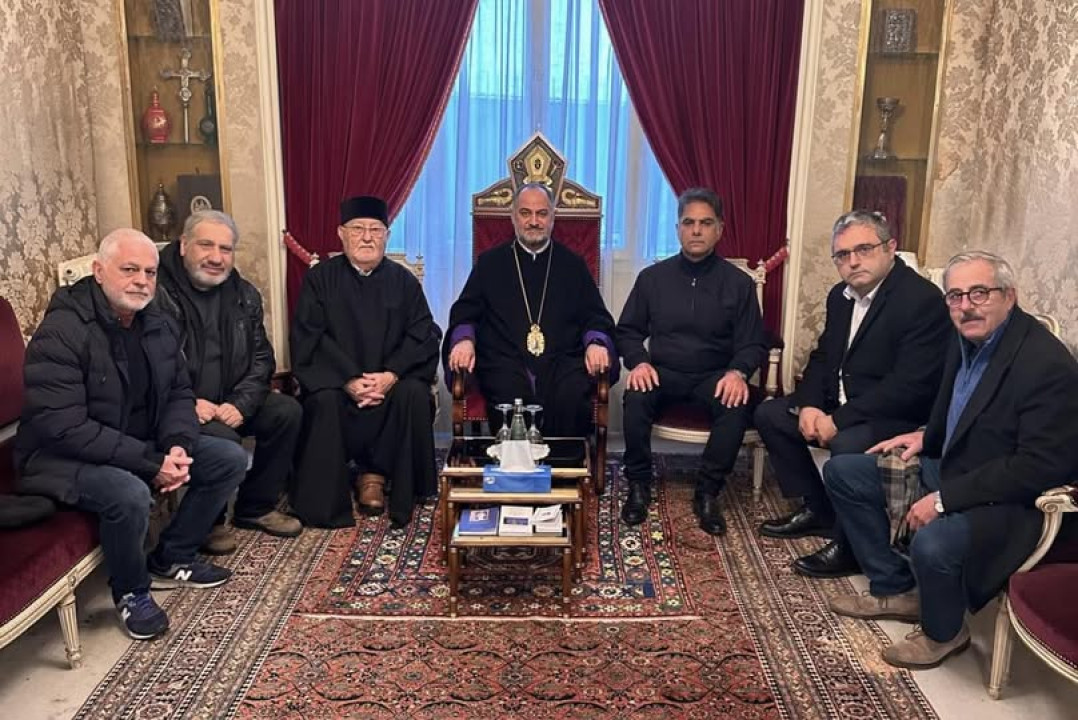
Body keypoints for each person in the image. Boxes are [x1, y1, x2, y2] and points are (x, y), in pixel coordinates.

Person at [822, 251, 1078, 669]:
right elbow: (964, 406)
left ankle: (944, 633)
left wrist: (944, 499)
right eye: (955, 296)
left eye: (979, 293)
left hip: (1014, 500)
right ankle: (899, 587)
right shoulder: (965, 340)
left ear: (1009, 296)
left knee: (934, 542)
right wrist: (926, 436)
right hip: (958, 466)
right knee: (844, 472)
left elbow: (1039, 467)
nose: (965, 306)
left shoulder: (1045, 365)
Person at [15, 229, 248, 640]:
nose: (142, 281)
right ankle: (131, 592)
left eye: (150, 272)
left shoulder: (156, 322)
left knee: (228, 458)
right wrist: (152, 462)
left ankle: (172, 555)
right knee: (129, 493)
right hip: (56, 456)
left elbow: (178, 393)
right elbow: (65, 427)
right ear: (98, 271)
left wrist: (177, 446)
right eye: (129, 270)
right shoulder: (63, 331)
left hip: (133, 442)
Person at [754, 210, 951, 576]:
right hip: (842, 403)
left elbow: (909, 385)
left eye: (864, 249)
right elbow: (823, 356)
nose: (853, 261)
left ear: (890, 247)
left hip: (897, 416)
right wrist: (810, 406)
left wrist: (837, 420)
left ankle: (850, 547)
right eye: (842, 254)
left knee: (846, 444)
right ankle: (819, 509)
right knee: (771, 415)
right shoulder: (840, 297)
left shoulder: (921, 300)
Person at [616, 188, 766, 535]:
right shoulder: (652, 279)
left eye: (705, 223)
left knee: (735, 404)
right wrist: (639, 362)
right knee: (636, 396)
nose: (696, 230)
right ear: (678, 229)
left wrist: (738, 372)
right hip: (663, 373)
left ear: (720, 229)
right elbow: (627, 331)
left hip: (714, 376)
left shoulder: (739, 284)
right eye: (688, 223)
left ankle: (707, 492)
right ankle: (638, 486)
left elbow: (752, 342)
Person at [157, 210, 303, 555]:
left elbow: (262, 358)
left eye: (225, 248)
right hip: (180, 405)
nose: (216, 257)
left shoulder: (244, 294)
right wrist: (187, 402)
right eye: (206, 245)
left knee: (287, 412)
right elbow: (151, 364)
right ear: (184, 245)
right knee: (224, 439)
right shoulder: (156, 291)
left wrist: (240, 403)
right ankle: (211, 520)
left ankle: (255, 506)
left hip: (230, 398)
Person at [290, 195, 441, 529]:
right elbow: (310, 336)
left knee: (414, 393)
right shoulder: (320, 279)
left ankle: (392, 484)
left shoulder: (403, 281)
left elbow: (424, 334)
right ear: (341, 233)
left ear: (387, 236)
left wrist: (391, 375)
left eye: (376, 230)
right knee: (324, 400)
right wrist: (349, 380)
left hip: (390, 385)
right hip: (339, 385)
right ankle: (328, 498)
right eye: (358, 229)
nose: (367, 237)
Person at [444, 182, 617, 438]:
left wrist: (595, 343)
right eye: (525, 213)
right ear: (513, 217)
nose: (533, 221)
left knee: (571, 392)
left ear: (552, 218)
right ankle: (514, 464)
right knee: (508, 392)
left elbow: (594, 315)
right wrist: (464, 340)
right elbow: (466, 312)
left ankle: (566, 463)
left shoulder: (573, 265)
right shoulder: (490, 264)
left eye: (541, 213)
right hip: (505, 360)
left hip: (562, 360)